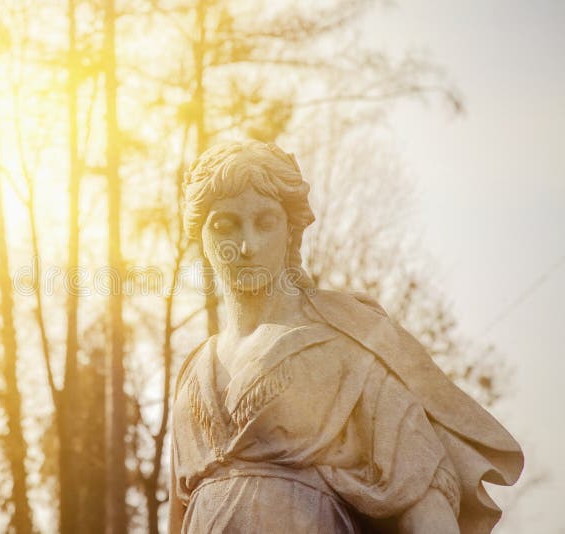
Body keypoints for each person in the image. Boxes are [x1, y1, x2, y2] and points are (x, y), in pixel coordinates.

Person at [168, 140, 523, 533]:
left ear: (291, 233)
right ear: (200, 236)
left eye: (266, 222)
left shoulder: (345, 346)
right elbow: (178, 514)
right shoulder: (192, 373)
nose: (246, 245)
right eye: (224, 224)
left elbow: (422, 490)